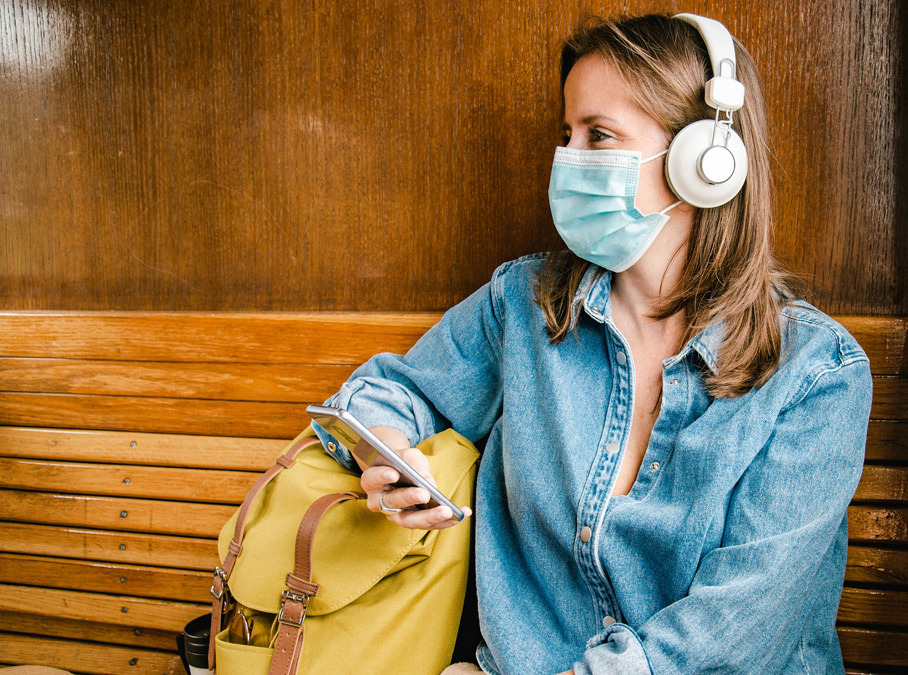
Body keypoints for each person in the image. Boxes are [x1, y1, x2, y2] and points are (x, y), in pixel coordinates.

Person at [314, 13, 872, 675]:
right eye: (567, 134)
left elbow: (735, 630)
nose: (569, 159)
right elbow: (387, 390)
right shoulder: (522, 304)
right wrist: (386, 446)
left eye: (599, 136)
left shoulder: (817, 372)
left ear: (707, 163)